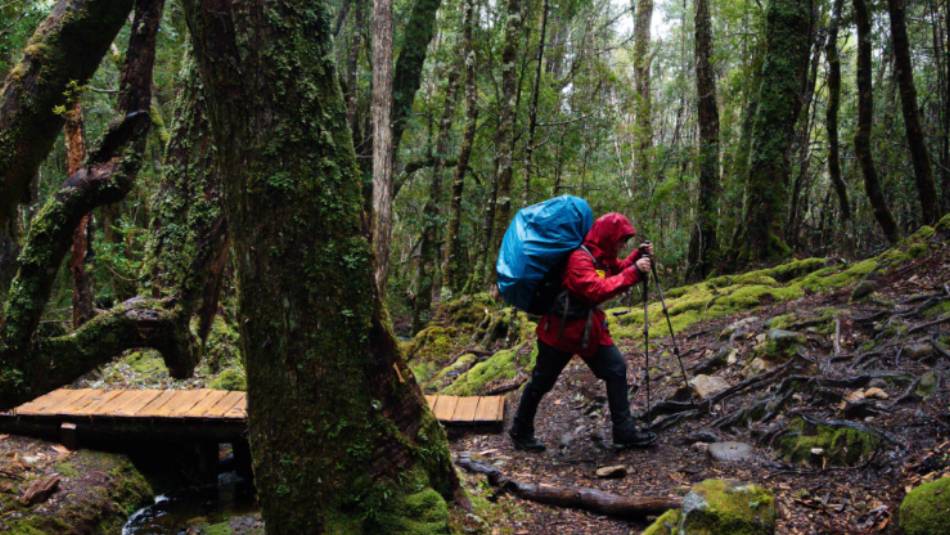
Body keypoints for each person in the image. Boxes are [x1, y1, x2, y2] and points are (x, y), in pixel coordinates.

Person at [508, 212, 657, 451]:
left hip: (588, 333)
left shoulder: (602, 257)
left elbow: (616, 270)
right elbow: (594, 289)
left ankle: (624, 432)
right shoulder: (579, 257)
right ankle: (520, 430)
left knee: (616, 369)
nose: (621, 246)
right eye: (621, 241)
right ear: (608, 237)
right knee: (542, 381)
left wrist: (636, 257)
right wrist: (634, 272)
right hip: (559, 335)